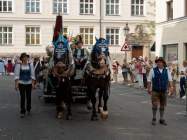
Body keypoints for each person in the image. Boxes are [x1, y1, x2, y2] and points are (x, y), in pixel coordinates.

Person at [147, 57, 173, 126]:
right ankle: (154, 118)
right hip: (155, 90)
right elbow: (149, 80)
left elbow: (170, 80)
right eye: (158, 62)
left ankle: (161, 119)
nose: (159, 63)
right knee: (155, 104)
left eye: (160, 62)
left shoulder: (167, 70)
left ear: (163, 63)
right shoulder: (153, 70)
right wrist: (149, 88)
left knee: (162, 105)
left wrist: (171, 87)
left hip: (164, 90)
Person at [14, 53, 35, 118]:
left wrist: (33, 84)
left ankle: (28, 109)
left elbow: (32, 75)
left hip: (29, 83)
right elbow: (17, 75)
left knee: (29, 97)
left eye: (26, 57)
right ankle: (22, 111)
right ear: (22, 58)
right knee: (22, 97)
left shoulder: (30, 65)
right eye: (24, 57)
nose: (25, 58)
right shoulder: (18, 65)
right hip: (21, 83)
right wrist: (16, 85)